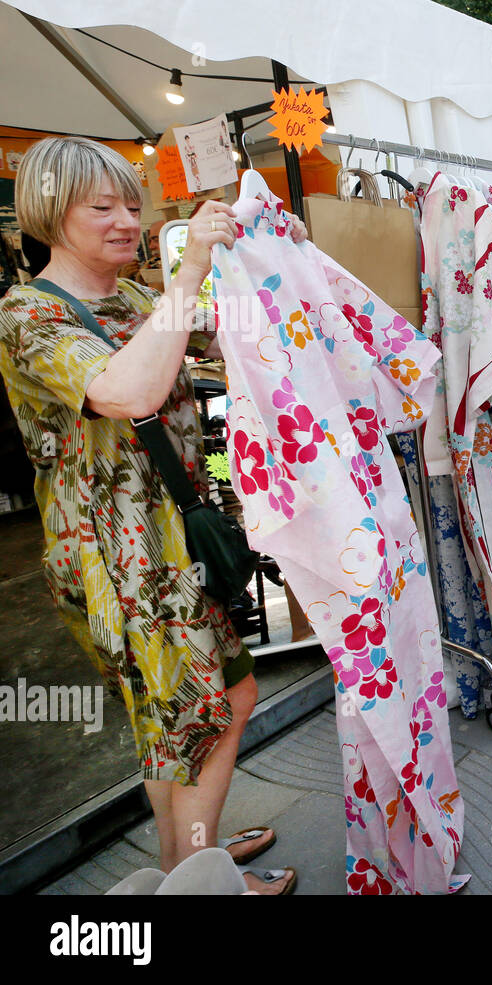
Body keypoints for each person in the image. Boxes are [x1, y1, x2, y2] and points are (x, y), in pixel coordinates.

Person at [0, 136, 310, 894]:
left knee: (173, 721)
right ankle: (194, 878)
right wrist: (193, 269)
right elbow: (128, 390)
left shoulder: (136, 297)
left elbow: (234, 325)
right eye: (101, 206)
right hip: (120, 559)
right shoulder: (26, 315)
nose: (125, 220)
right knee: (219, 703)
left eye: (131, 205)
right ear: (49, 212)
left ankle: (190, 858)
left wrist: (272, 248)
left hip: (168, 544)